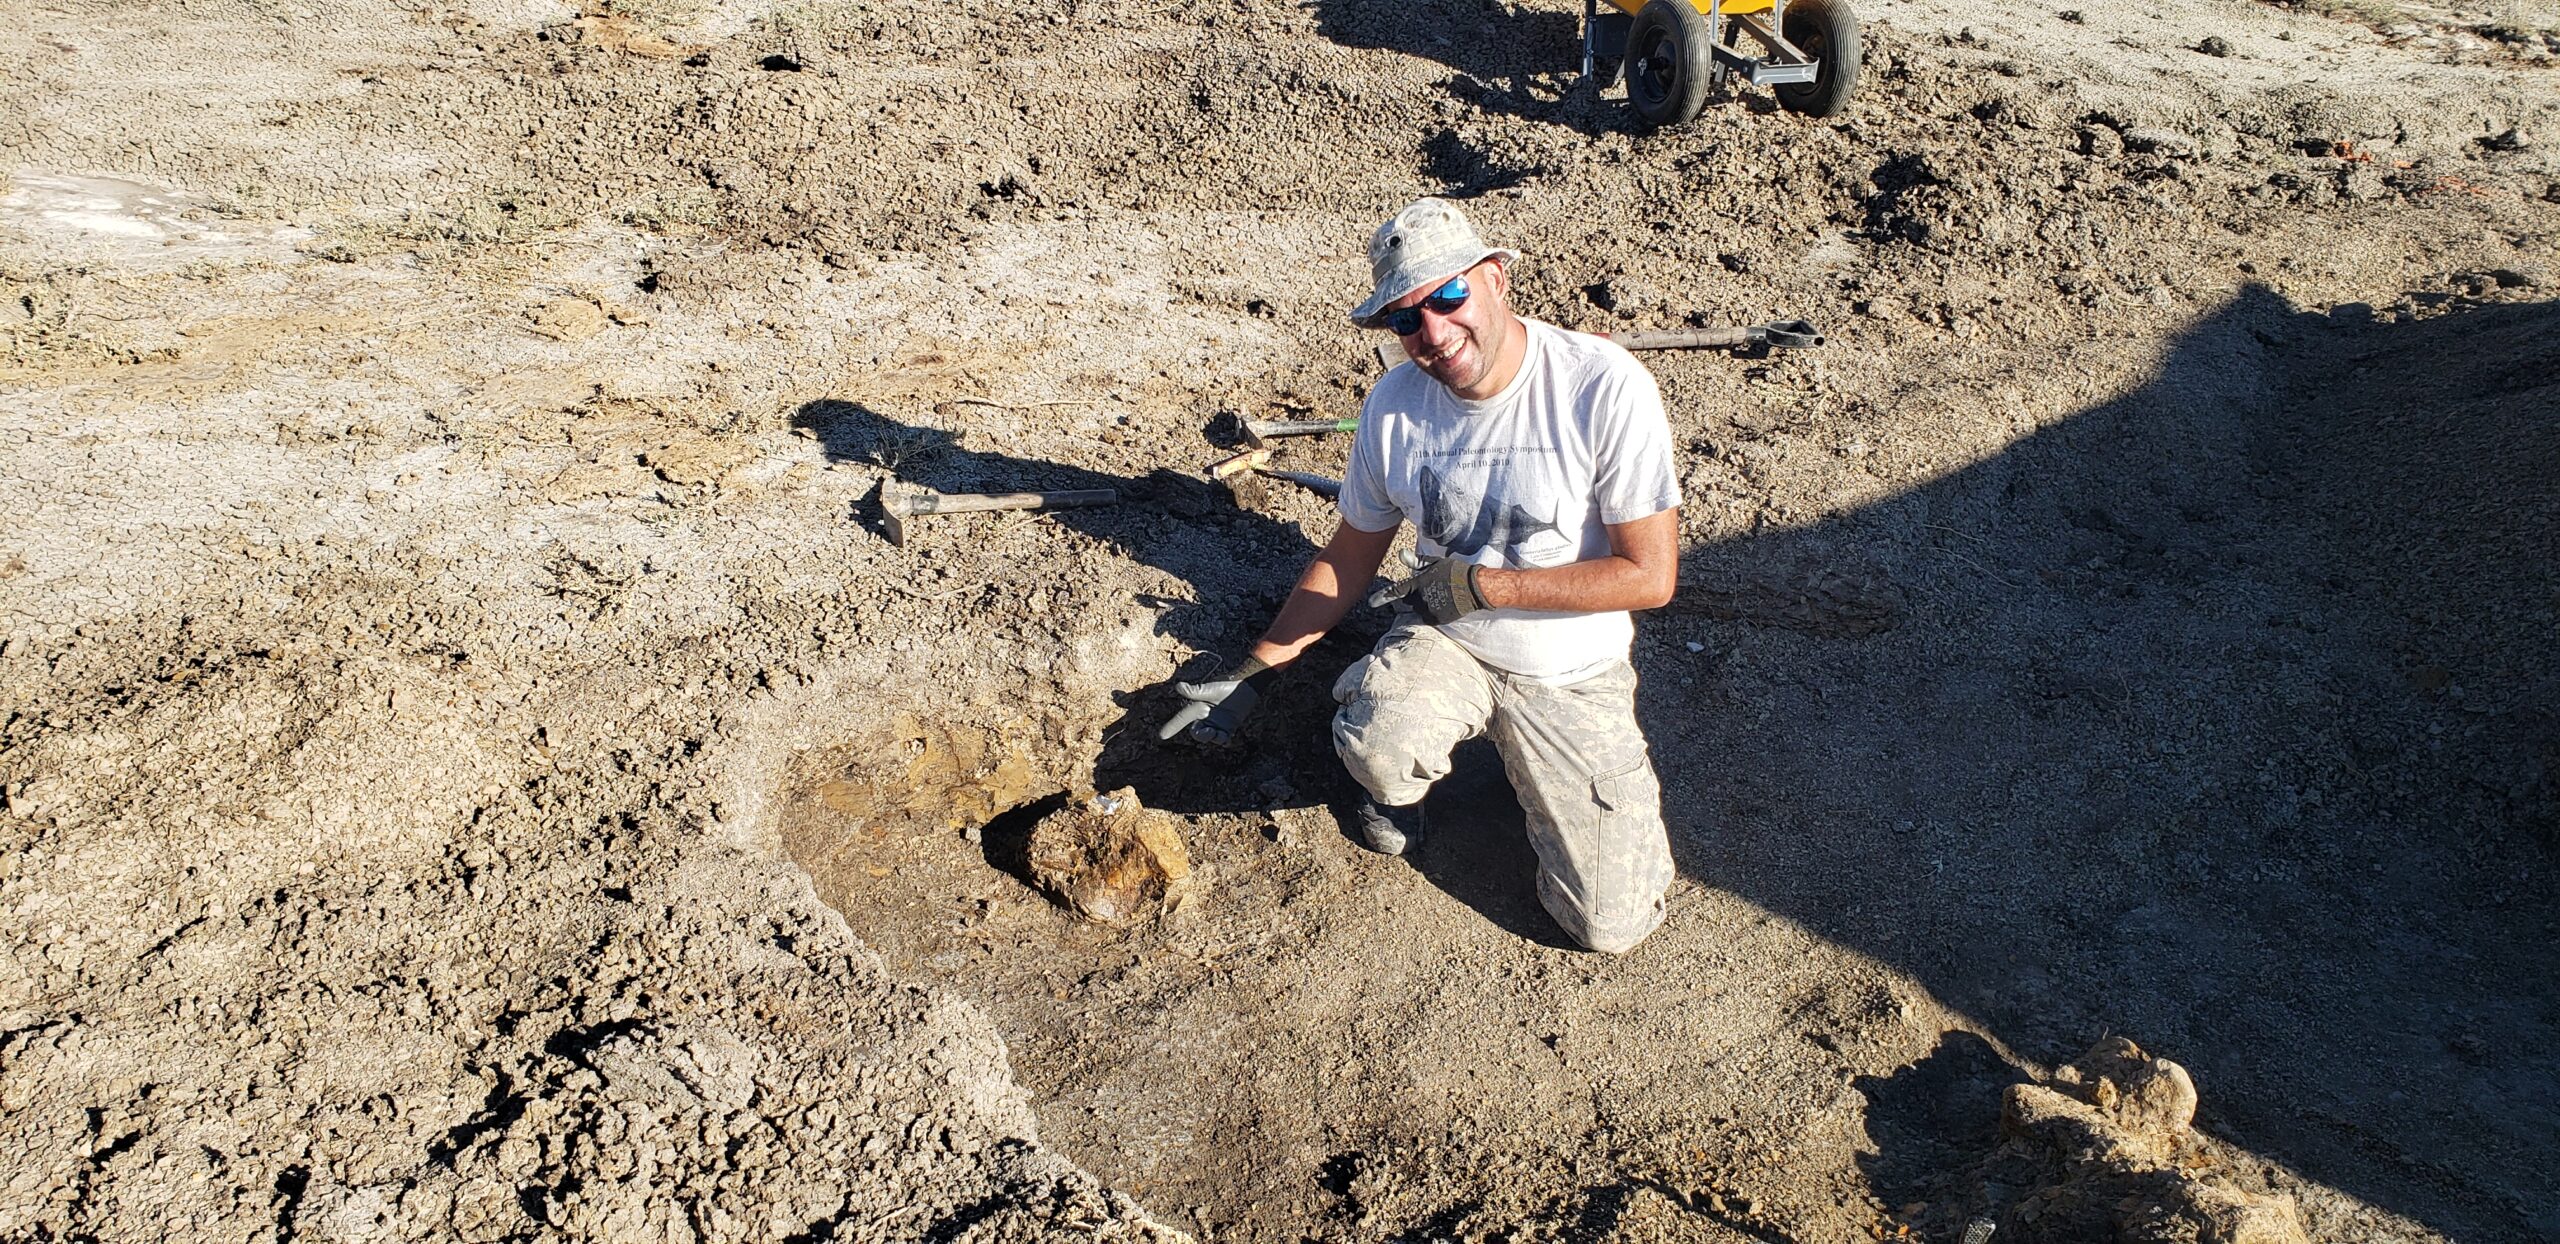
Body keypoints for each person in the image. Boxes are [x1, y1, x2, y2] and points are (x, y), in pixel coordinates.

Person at [1159, 197, 1681, 954]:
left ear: (1496, 278)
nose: (1433, 333)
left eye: (1447, 297)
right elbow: (1348, 556)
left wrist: (1485, 586)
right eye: (1406, 319)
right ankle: (1393, 788)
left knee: (1610, 925)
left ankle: (1533, 764)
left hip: (1570, 667)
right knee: (1381, 740)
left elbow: (1650, 576)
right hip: (1448, 635)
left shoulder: (1600, 385)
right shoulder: (1392, 409)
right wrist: (1255, 671)